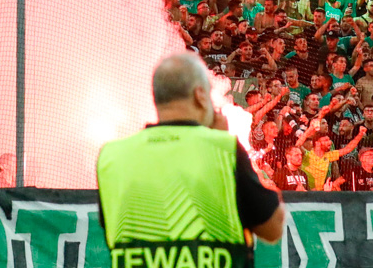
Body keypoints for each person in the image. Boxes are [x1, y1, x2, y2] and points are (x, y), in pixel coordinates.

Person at [96, 53, 284, 268]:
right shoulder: (223, 149)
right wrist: (223, 143)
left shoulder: (111, 155)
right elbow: (272, 228)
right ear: (200, 95)